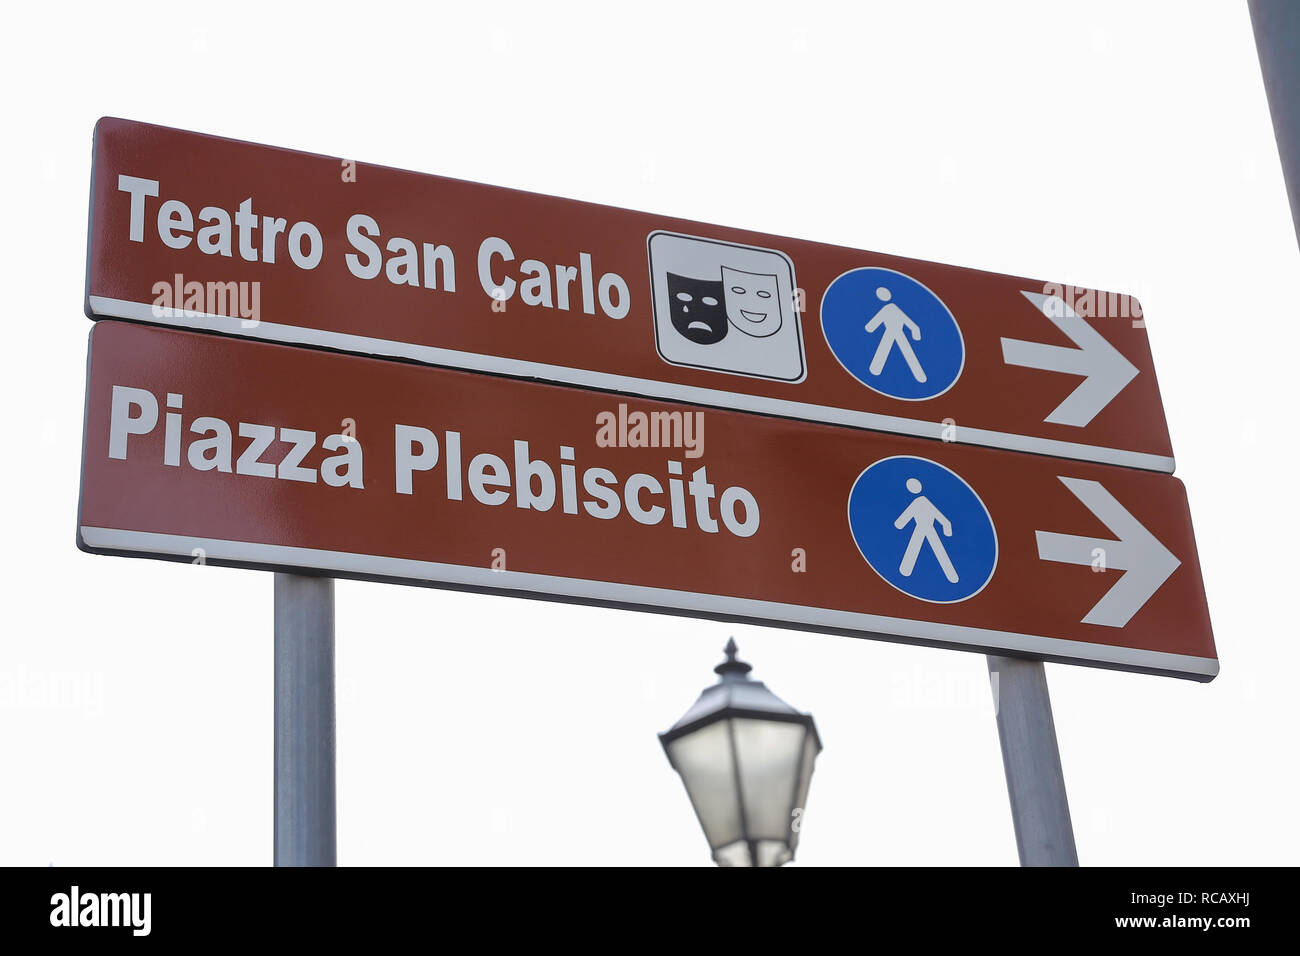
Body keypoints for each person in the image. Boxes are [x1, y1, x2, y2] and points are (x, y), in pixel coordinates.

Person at [894, 477, 958, 583]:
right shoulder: (922, 502)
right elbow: (941, 518)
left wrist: (947, 527)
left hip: (925, 528)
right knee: (938, 551)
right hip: (924, 529)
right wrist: (946, 528)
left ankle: (952, 576)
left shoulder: (920, 502)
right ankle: (952, 577)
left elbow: (902, 520)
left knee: (919, 550)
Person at [866, 287, 927, 383]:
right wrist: (915, 331)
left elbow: (908, 322)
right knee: (906, 352)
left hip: (896, 332)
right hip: (894, 332)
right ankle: (920, 376)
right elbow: (910, 323)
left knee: (890, 351)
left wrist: (915, 331)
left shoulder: (890, 309)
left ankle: (875, 370)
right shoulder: (890, 309)